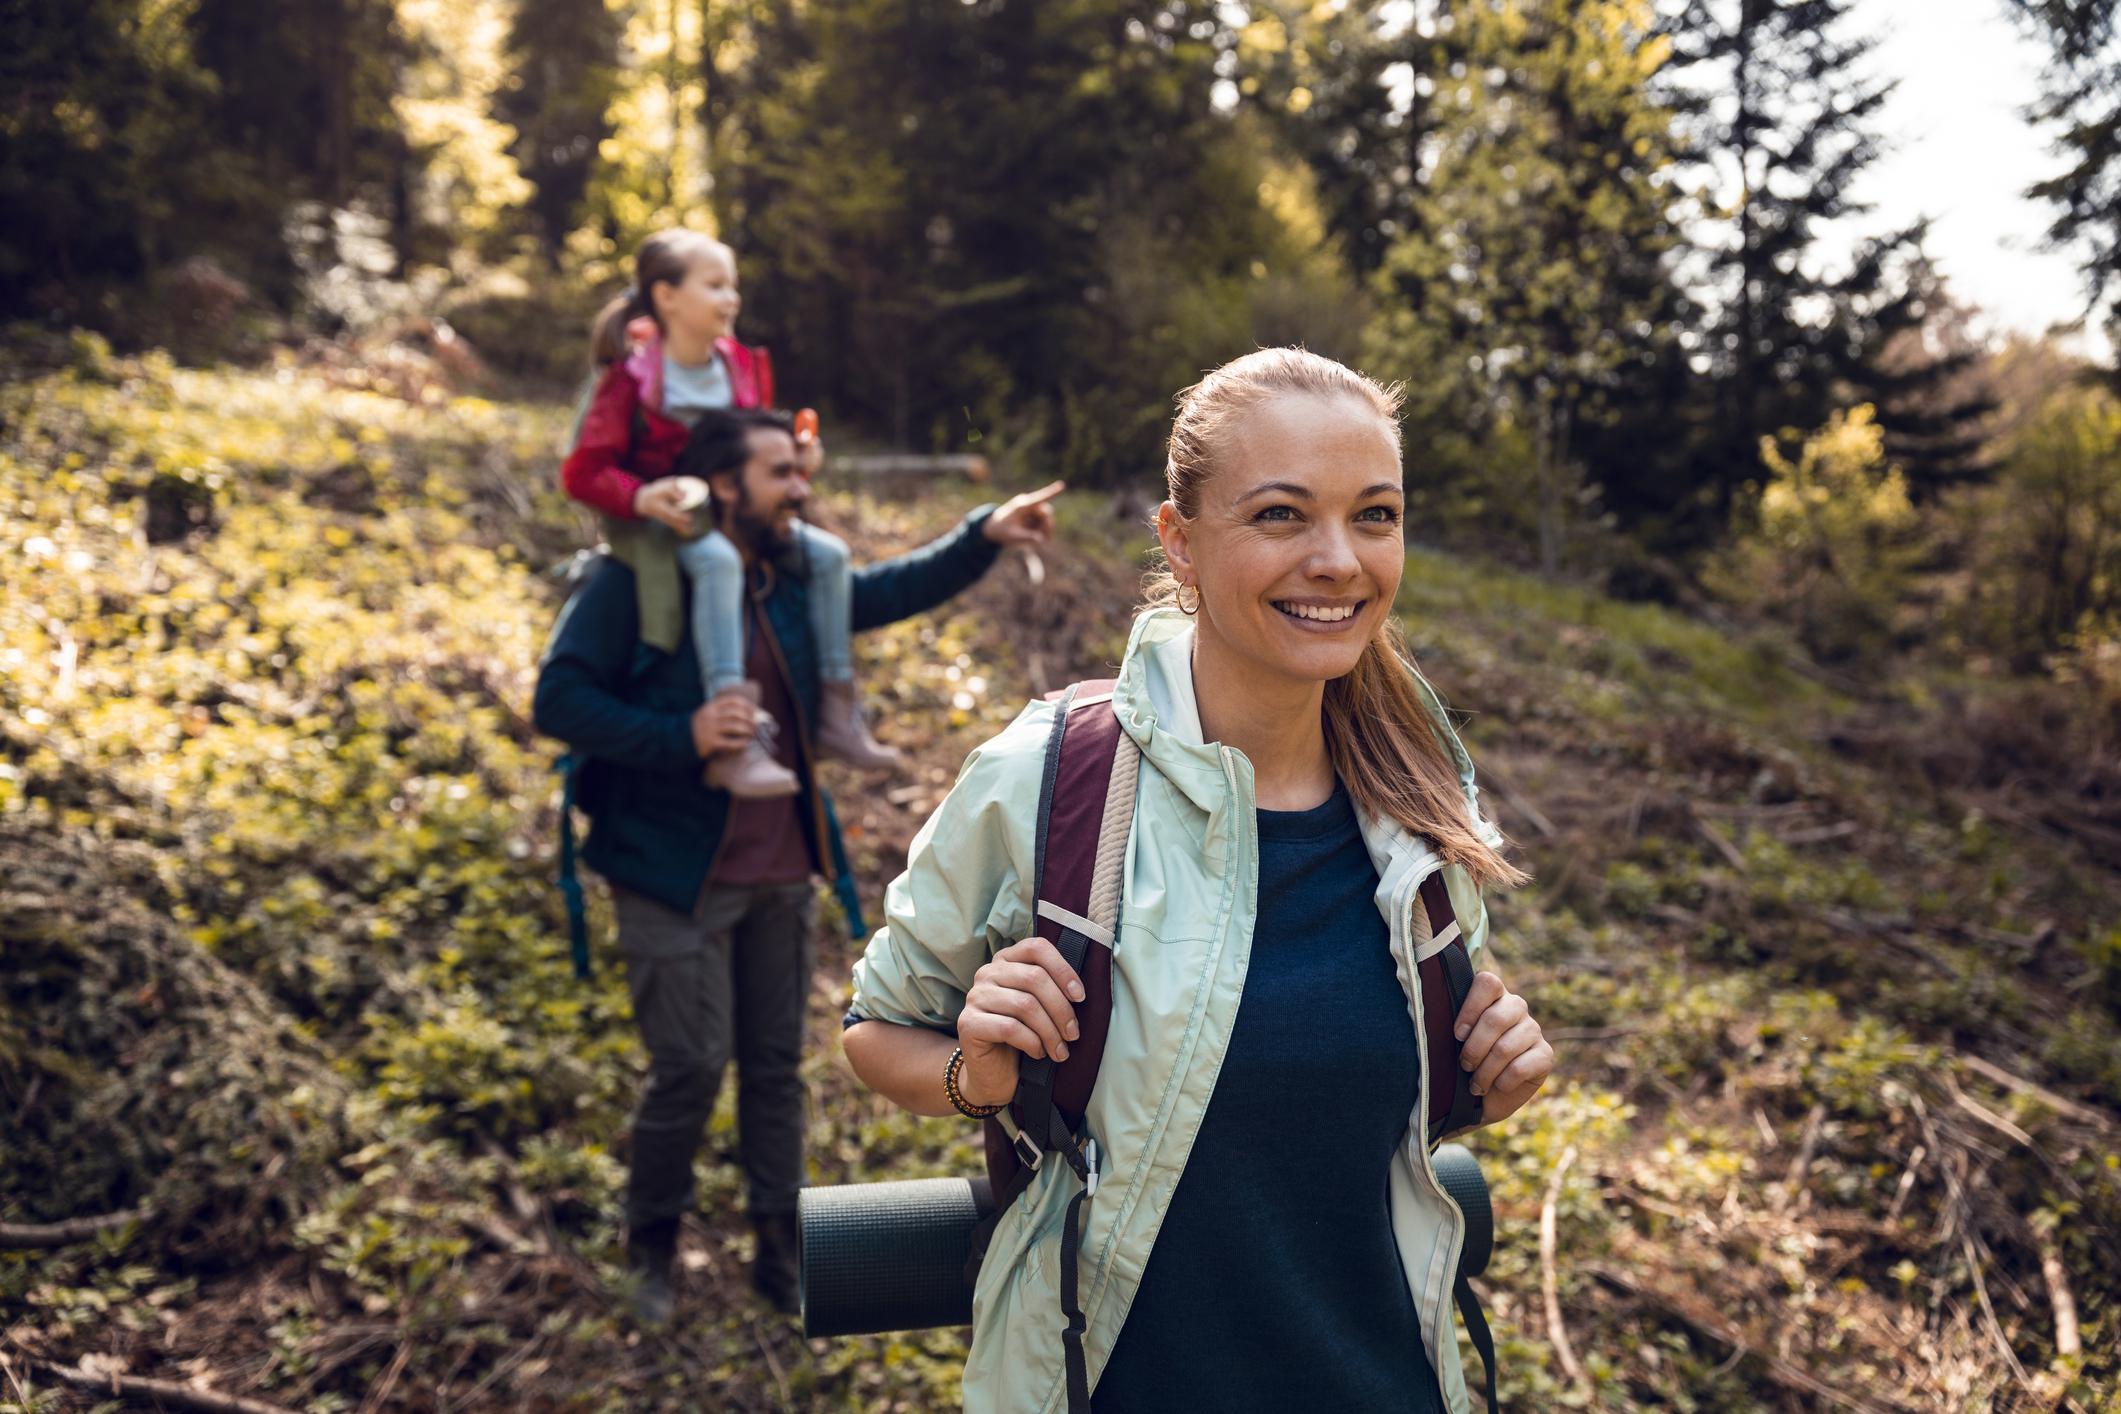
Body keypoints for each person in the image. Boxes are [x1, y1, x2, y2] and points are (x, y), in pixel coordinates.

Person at [841, 348, 1554, 1414]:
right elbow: (873, 1029)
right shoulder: (1050, 779)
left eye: (1375, 515)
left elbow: (1346, 1131)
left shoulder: (1420, 804)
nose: (1339, 560)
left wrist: (1483, 1081)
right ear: (1180, 539)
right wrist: (977, 1078)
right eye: (1279, 516)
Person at [533, 405, 1064, 1324]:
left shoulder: (788, 579)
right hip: (667, 873)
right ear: (724, 486)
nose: (801, 486)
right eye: (780, 472)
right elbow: (560, 697)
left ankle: (781, 1252)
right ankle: (650, 1248)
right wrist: (681, 734)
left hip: (781, 870)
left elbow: (878, 593)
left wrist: (980, 537)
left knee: (775, 1067)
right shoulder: (640, 581)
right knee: (691, 1066)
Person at [561, 227, 892, 799]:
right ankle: (734, 732)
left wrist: (796, 453)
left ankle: (835, 712)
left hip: (741, 512)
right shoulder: (633, 377)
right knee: (717, 561)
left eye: (732, 286)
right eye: (714, 285)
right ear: (666, 296)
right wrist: (641, 496)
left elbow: (758, 443)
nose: (730, 299)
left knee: (832, 555)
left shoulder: (738, 365)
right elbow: (584, 471)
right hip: (667, 521)